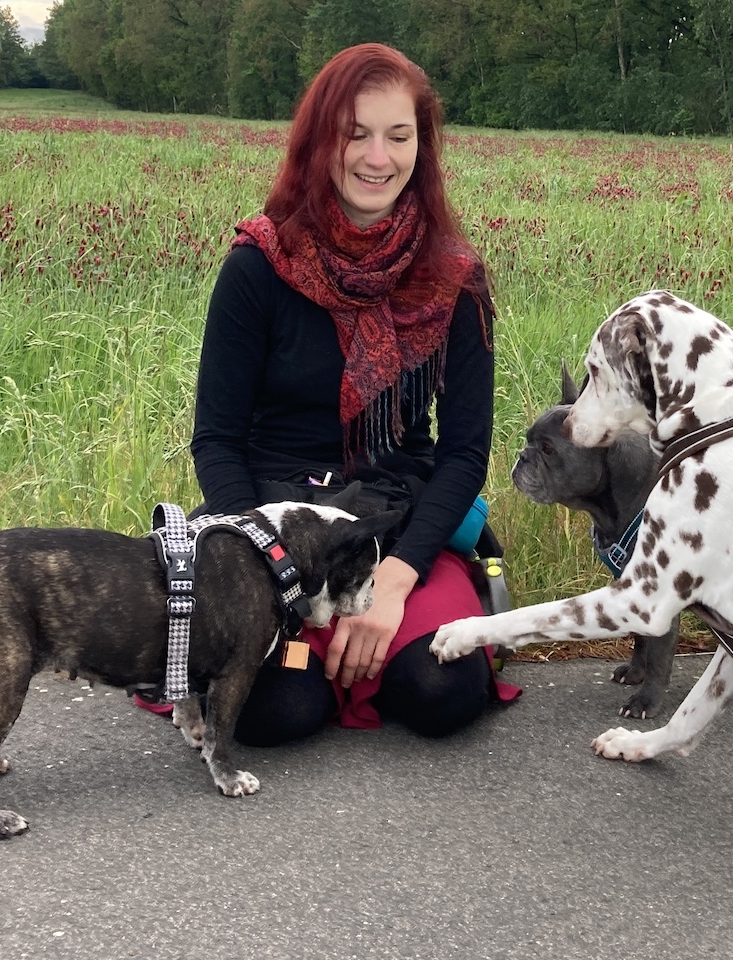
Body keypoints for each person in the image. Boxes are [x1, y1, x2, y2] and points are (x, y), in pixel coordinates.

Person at [184, 43, 520, 745]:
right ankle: (329, 671)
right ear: (320, 142)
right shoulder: (257, 266)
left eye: (398, 136)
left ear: (422, 149)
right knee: (275, 710)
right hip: (269, 525)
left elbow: (462, 454)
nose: (377, 157)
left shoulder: (456, 280)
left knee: (441, 691)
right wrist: (274, 574)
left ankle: (381, 654)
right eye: (355, 133)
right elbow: (216, 440)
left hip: (394, 522)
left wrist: (395, 581)